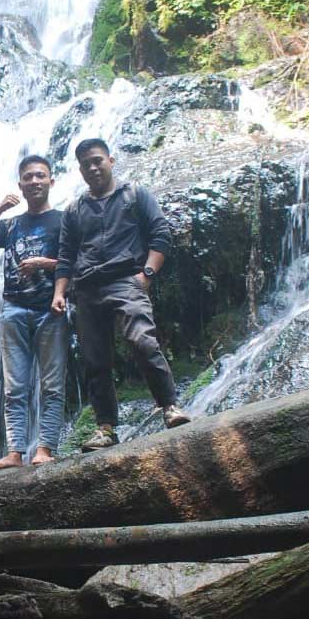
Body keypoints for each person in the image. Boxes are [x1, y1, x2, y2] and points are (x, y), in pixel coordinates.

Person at [52, 138, 190, 451]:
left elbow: (160, 233)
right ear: (80, 170)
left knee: (142, 340)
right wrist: (60, 293)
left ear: (111, 160)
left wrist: (147, 276)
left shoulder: (134, 195)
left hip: (126, 280)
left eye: (97, 160)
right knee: (94, 360)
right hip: (86, 288)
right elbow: (65, 256)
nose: (93, 167)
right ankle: (105, 428)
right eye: (86, 164)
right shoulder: (74, 209)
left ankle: (170, 406)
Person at [0, 155, 67, 470]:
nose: (34, 182)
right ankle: (15, 452)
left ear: (51, 181)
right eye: (28, 177)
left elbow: (79, 263)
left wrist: (44, 264)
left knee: (51, 384)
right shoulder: (11, 224)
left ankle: (45, 448)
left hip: (50, 310)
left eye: (40, 176)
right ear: (20, 184)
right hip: (13, 308)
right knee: (15, 386)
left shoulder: (64, 221)